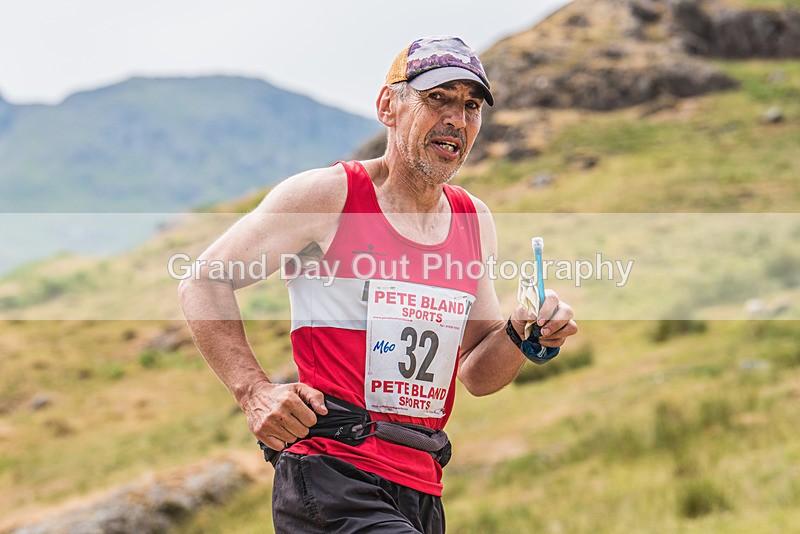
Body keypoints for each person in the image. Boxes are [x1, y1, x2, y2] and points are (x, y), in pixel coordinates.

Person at [179, 35, 577, 533]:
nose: (456, 118)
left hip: (422, 484)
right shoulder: (329, 196)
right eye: (438, 98)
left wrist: (523, 334)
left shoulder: (474, 220)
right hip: (331, 472)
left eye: (471, 105)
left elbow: (476, 371)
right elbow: (204, 280)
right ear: (389, 106)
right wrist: (253, 391)